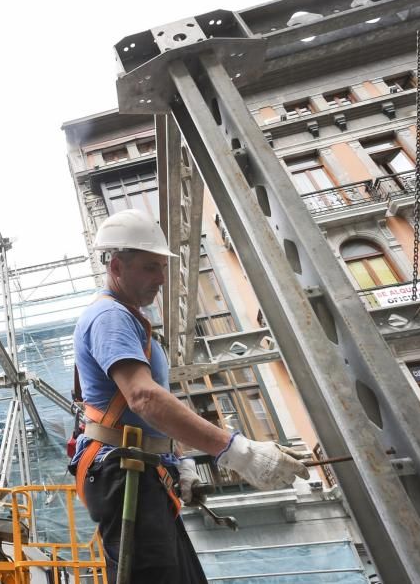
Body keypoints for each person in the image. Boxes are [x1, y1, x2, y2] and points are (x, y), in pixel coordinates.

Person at [70, 209, 308, 583]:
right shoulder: (110, 317)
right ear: (116, 266)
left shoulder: (129, 320)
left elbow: (151, 409)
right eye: (150, 267)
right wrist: (236, 451)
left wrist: (178, 463)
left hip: (141, 469)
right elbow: (144, 398)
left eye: (162, 268)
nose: (161, 279)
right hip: (126, 470)